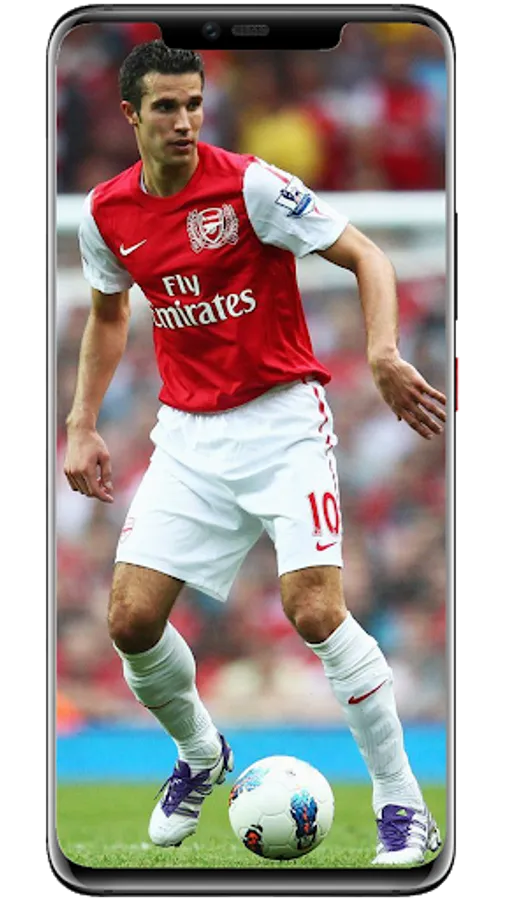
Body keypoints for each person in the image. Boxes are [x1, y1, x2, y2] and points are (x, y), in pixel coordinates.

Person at [63, 40, 446, 865]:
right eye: (165, 107)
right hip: (188, 437)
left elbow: (367, 254)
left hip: (282, 424)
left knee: (315, 610)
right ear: (130, 115)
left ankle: (403, 805)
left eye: (194, 104)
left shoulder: (251, 187)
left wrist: (382, 352)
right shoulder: (106, 213)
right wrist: (82, 422)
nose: (184, 121)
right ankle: (202, 754)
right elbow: (108, 313)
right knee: (130, 621)